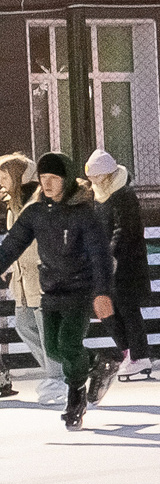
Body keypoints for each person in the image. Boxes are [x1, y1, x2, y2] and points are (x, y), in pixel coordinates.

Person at [0, 153, 113, 430]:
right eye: (43, 178)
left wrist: (102, 292)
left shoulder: (84, 212)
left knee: (68, 345)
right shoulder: (36, 211)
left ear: (66, 180)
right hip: (50, 288)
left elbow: (100, 255)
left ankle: (76, 400)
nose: (47, 184)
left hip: (80, 289)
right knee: (53, 348)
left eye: (54, 178)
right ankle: (99, 362)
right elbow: (13, 244)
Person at [85, 148, 152, 386]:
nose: (91, 180)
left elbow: (124, 229)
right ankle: (128, 351)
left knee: (127, 309)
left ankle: (139, 355)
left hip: (126, 265)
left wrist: (111, 254)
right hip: (105, 263)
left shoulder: (124, 195)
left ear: (106, 174)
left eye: (95, 175)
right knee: (106, 309)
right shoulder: (98, 195)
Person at [1, 152, 54, 400]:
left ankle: (60, 379)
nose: (0, 179)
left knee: (47, 333)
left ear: (18, 175)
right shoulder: (12, 206)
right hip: (22, 281)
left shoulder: (36, 204)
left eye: (4, 174)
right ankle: (64, 374)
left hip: (41, 278)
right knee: (24, 325)